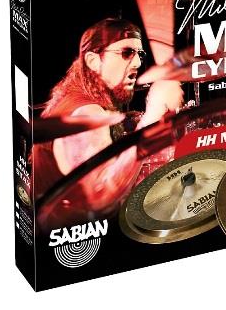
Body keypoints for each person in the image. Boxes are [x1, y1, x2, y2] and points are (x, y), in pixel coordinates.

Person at [32, 18, 182, 229]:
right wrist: (153, 114)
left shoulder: (79, 96)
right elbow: (102, 196)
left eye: (139, 54)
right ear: (93, 61)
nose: (138, 63)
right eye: (126, 53)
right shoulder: (85, 114)